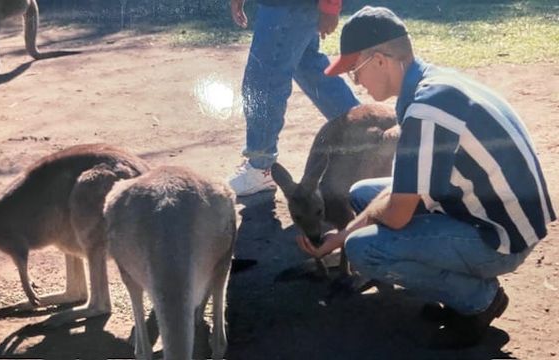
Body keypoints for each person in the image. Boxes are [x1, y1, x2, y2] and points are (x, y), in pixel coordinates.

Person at [296, 6, 556, 348]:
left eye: (354, 71)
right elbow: (401, 196)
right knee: (362, 194)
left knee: (364, 249)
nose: (355, 83)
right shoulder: (432, 83)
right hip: (492, 211)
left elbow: (397, 214)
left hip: (502, 238)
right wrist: (349, 229)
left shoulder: (425, 111)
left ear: (380, 61)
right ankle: (460, 291)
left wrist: (342, 237)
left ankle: (479, 299)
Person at [228, 0, 360, 196]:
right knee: (307, 66)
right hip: (288, 7)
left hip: (287, 7)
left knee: (264, 80)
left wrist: (330, 6)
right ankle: (364, 131)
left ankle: (261, 167)